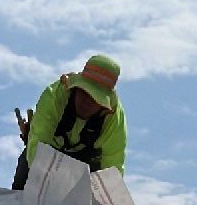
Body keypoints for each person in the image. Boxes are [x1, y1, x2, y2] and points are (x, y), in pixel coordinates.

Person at [12, 53, 127, 189]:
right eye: (84, 93)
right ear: (75, 89)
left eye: (95, 99)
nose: (86, 102)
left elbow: (112, 170)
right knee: (25, 179)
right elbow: (37, 146)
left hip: (86, 165)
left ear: (103, 105)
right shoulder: (54, 96)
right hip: (48, 153)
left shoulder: (113, 118)